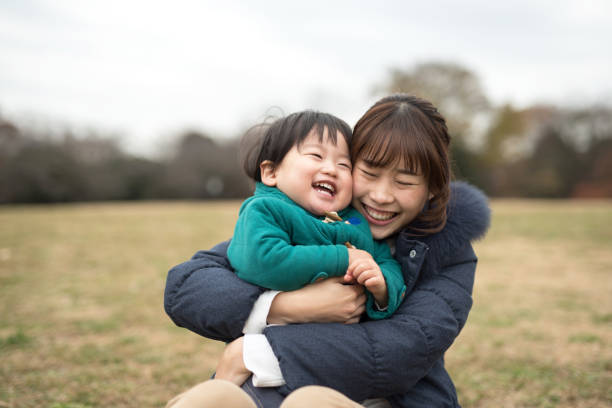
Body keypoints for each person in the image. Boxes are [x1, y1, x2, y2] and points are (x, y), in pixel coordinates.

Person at [164, 94, 491, 407]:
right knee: (213, 400)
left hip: (384, 399)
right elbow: (189, 286)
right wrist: (282, 307)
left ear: (433, 189)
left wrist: (254, 352)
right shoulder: (317, 218)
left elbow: (400, 350)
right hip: (271, 391)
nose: (380, 195)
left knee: (311, 403)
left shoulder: (450, 253)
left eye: (404, 183)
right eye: (369, 173)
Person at [228, 110, 406, 319]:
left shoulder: (353, 219)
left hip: (346, 340)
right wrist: (343, 258)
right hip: (281, 337)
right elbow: (263, 259)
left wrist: (383, 286)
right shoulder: (265, 210)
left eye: (344, 164)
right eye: (316, 156)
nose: (331, 169)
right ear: (271, 173)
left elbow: (384, 259)